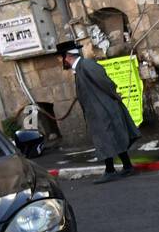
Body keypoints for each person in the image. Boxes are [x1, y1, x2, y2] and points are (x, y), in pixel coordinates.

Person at [56, 41, 139, 184]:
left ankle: (110, 170)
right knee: (111, 138)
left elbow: (105, 82)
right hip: (99, 111)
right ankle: (127, 166)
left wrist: (114, 97)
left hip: (103, 110)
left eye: (61, 58)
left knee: (105, 139)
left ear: (67, 56)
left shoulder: (87, 65)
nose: (60, 61)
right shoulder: (80, 68)